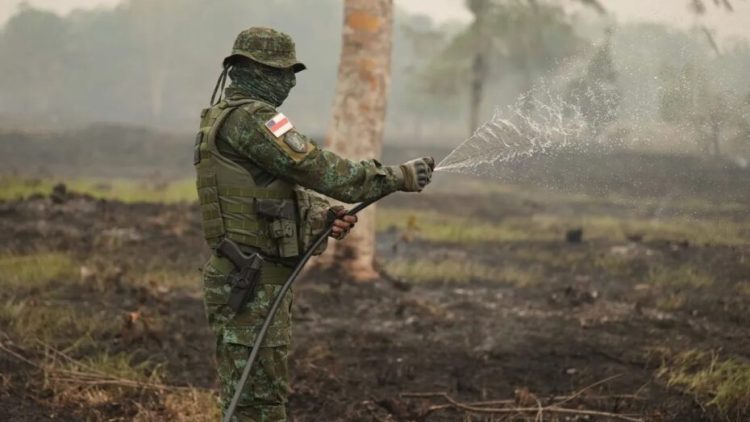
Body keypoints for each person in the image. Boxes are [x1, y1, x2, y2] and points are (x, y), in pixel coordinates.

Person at [194, 27, 434, 421]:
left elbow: (265, 190)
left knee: (253, 395)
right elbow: (313, 167)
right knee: (259, 404)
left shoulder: (225, 117)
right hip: (250, 282)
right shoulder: (254, 119)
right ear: (253, 70)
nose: (288, 82)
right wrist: (393, 177)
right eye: (281, 72)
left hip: (249, 278)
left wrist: (321, 215)